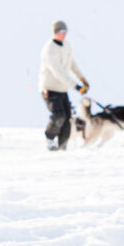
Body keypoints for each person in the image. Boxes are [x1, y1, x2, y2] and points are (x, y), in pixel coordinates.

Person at [38, 20, 89, 151]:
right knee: (59, 115)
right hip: (50, 88)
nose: (64, 34)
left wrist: (81, 77)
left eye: (66, 32)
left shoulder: (66, 45)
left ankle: (62, 145)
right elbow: (58, 72)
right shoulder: (49, 49)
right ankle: (49, 138)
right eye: (61, 32)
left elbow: (71, 63)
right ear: (56, 32)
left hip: (62, 88)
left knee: (68, 119)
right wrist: (76, 87)